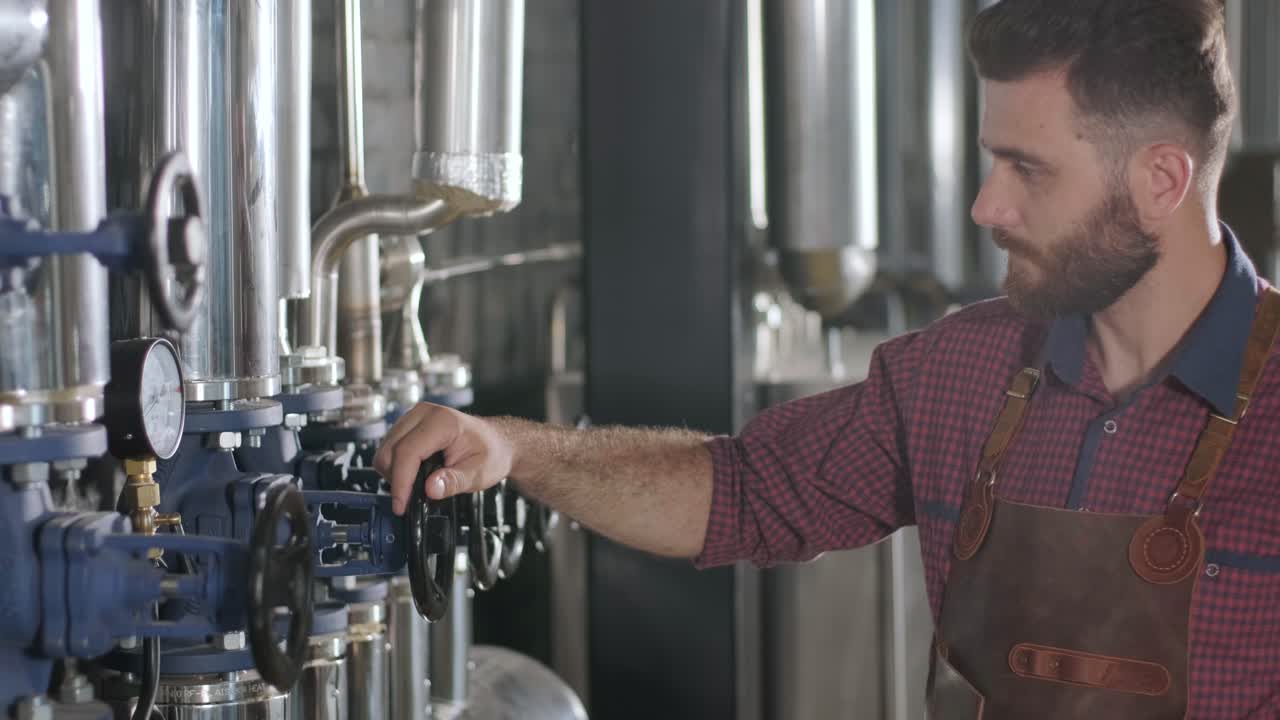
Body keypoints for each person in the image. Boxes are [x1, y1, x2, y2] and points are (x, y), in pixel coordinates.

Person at [376, 0, 1279, 716]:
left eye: (1027, 169)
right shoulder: (960, 373)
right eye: (988, 161)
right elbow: (739, 492)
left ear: (1160, 181)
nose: (984, 206)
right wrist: (515, 450)